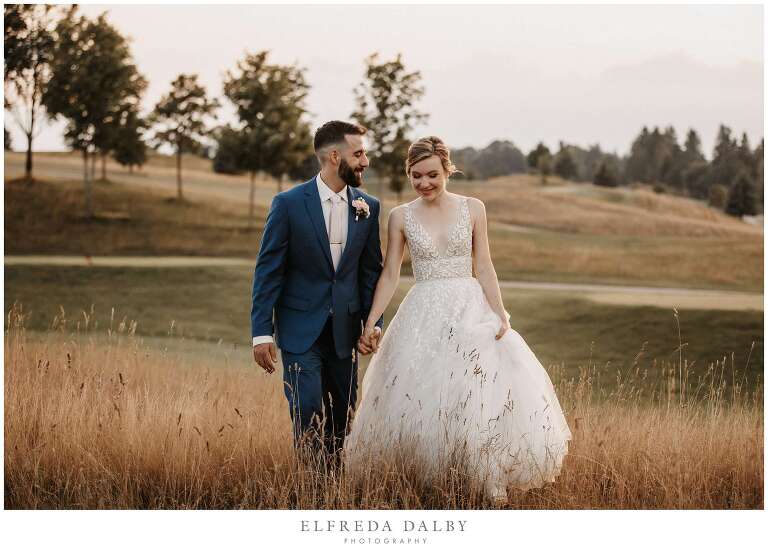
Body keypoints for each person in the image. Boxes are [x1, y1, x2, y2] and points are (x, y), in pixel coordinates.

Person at [344, 136, 572, 503]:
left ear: (447, 169)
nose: (424, 183)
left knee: (473, 392)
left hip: (468, 308)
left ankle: (484, 479)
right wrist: (372, 322)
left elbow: (483, 264)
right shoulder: (400, 216)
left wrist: (499, 312)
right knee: (419, 393)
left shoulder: (474, 208)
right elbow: (390, 274)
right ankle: (421, 480)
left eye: (432, 174)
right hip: (421, 309)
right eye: (416, 176)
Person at [250, 120, 383, 471]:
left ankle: (335, 488)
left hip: (345, 332)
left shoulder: (368, 208)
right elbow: (268, 271)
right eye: (359, 153)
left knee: (343, 416)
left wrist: (373, 324)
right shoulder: (289, 204)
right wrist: (262, 332)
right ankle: (313, 490)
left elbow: (371, 274)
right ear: (334, 155)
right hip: (299, 331)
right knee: (307, 408)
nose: (365, 161)